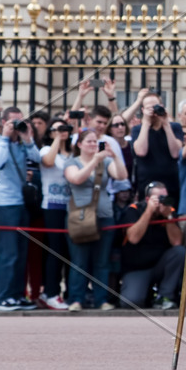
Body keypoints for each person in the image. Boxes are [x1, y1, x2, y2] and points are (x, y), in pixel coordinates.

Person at [64, 126, 127, 311]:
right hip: (80, 218)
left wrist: (114, 155)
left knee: (102, 261)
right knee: (79, 261)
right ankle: (76, 299)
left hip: (104, 216)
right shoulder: (72, 162)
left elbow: (122, 175)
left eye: (95, 141)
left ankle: (102, 300)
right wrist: (95, 161)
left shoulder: (105, 161)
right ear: (80, 144)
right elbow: (76, 179)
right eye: (89, 141)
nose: (92, 144)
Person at [0, 110, 38, 311]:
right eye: (13, 121)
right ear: (4, 122)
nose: (17, 124)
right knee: (9, 252)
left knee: (21, 252)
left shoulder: (23, 144)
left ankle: (17, 295)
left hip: (22, 203)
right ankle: (5, 297)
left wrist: (27, 138)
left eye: (20, 120)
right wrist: (6, 138)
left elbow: (37, 161)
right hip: (6, 203)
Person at [119, 181, 186, 309]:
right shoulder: (134, 210)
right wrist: (149, 212)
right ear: (148, 199)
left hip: (160, 265)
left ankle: (165, 296)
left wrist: (168, 218)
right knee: (131, 302)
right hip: (137, 268)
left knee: (180, 252)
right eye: (160, 198)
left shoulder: (169, 212)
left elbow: (177, 243)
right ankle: (147, 293)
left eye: (165, 197)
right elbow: (133, 238)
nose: (163, 201)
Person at [37, 119, 75, 309]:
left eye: (65, 128)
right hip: (52, 205)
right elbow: (49, 161)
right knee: (55, 250)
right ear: (50, 132)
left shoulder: (72, 152)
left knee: (68, 252)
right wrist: (57, 140)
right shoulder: (45, 150)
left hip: (70, 207)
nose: (62, 132)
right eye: (57, 129)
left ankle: (68, 292)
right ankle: (50, 292)